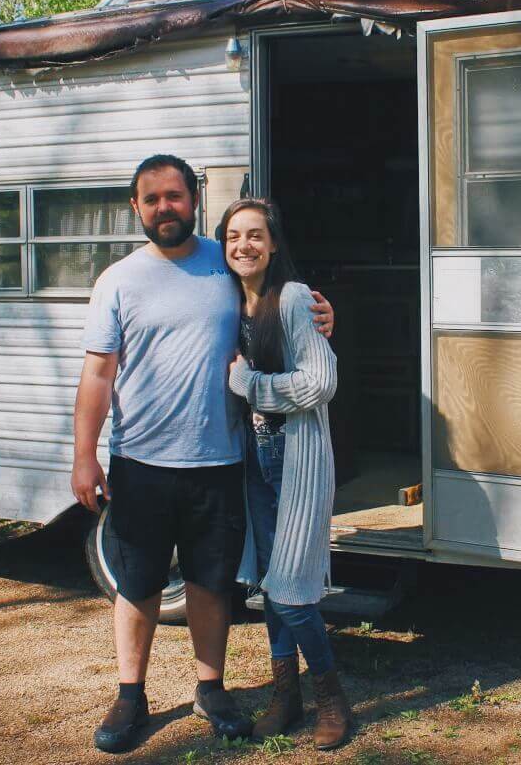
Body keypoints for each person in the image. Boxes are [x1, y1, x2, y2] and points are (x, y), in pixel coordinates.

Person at [71, 156, 334, 754]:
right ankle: (130, 694)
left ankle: (210, 688)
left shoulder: (228, 263)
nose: (165, 206)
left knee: (210, 584)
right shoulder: (118, 280)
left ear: (194, 200)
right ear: (135, 208)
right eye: (152, 198)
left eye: (176, 195)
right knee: (137, 585)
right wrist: (85, 454)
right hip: (140, 461)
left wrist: (323, 316)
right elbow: (97, 374)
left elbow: (284, 311)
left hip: (220, 461)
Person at [218, 198, 352, 750]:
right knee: (271, 586)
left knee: (293, 591)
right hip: (252, 460)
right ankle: (284, 697)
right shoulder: (227, 301)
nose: (243, 245)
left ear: (273, 244)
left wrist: (250, 384)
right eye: (232, 236)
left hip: (293, 458)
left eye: (255, 235)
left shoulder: (294, 299)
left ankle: (331, 700)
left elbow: (320, 383)